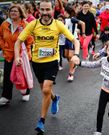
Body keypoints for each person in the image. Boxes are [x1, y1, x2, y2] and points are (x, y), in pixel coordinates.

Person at [14, 0, 80, 133]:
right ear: (39, 10)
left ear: (52, 10)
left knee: (45, 90)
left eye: (48, 10)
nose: (45, 13)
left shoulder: (58, 24)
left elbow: (74, 40)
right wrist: (17, 56)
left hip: (52, 62)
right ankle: (55, 98)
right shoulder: (33, 24)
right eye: (42, 10)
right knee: (45, 90)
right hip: (37, 63)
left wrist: (76, 54)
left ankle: (41, 121)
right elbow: (18, 41)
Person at [0, 5, 34, 105]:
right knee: (7, 76)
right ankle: (6, 96)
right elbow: (1, 36)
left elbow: (30, 40)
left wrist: (27, 52)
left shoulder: (25, 24)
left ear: (20, 13)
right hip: (8, 54)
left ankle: (26, 92)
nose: (13, 13)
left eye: (15, 11)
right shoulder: (5, 24)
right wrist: (3, 47)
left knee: (23, 74)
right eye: (11, 11)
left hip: (21, 54)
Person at [63, 6, 85, 82]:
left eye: (65, 11)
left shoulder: (72, 19)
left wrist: (83, 33)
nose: (63, 13)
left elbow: (82, 23)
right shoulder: (65, 19)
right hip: (66, 40)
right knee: (66, 55)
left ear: (67, 12)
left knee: (70, 56)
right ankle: (74, 64)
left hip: (73, 40)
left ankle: (71, 74)